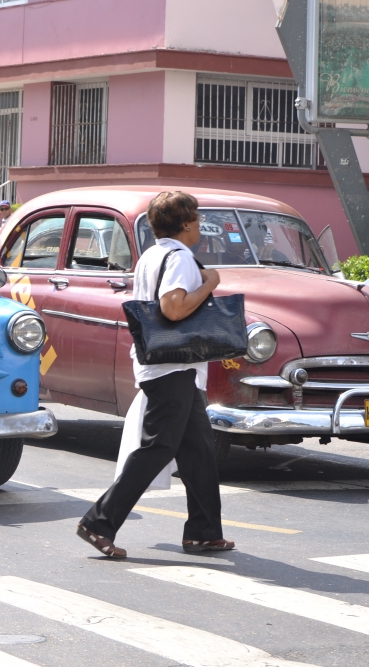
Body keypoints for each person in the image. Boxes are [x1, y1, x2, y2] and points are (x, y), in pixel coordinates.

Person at [76, 191, 235, 559]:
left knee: (198, 451)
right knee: (157, 447)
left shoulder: (153, 253)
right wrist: (209, 283)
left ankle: (204, 532)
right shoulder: (179, 258)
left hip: (168, 365)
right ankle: (98, 522)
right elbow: (173, 309)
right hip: (172, 367)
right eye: (196, 217)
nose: (200, 225)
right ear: (185, 224)